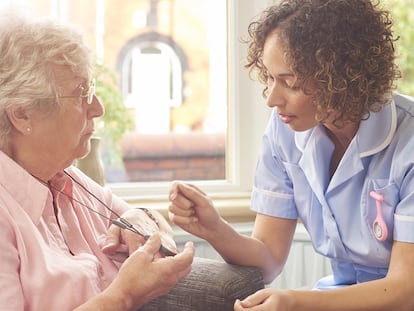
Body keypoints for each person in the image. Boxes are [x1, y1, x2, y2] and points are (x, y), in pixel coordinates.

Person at [168, 0, 414, 310]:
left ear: (341, 78)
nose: (272, 99)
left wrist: (295, 302)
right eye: (270, 78)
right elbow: (268, 258)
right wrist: (213, 228)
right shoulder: (285, 132)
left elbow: (406, 290)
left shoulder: (408, 143)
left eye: (290, 83)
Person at [0, 12, 195, 311]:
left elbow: (138, 218)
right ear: (22, 114)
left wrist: (141, 218)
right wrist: (124, 296)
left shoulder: (65, 177)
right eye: (81, 93)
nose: (98, 108)